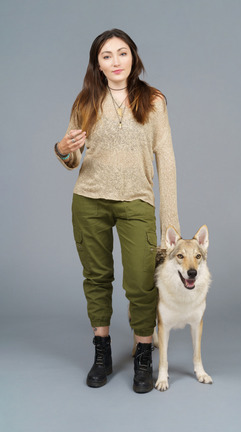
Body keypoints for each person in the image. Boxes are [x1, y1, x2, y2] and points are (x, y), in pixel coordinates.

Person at [54, 29, 180, 393]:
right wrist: (63, 147)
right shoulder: (86, 100)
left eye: (121, 53)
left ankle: (143, 354)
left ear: (133, 57)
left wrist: (169, 225)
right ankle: (102, 351)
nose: (115, 61)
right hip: (89, 198)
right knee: (97, 277)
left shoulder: (153, 100)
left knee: (142, 282)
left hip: (137, 200)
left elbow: (166, 159)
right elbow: (72, 154)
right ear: (98, 64)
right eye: (106, 56)